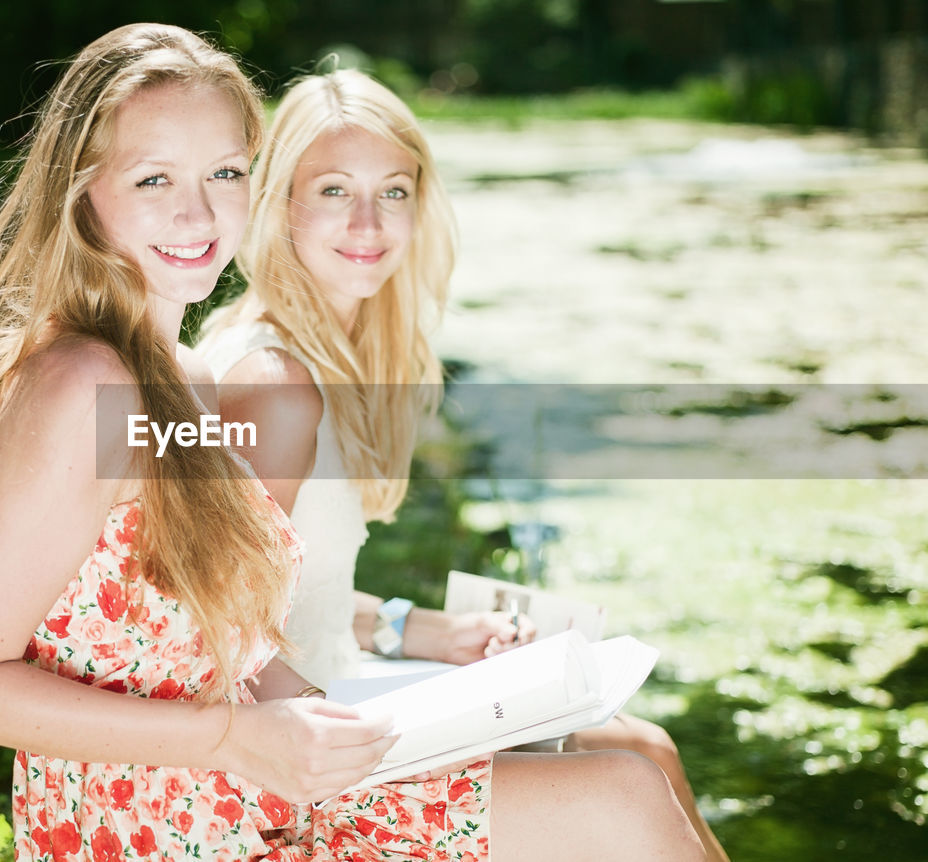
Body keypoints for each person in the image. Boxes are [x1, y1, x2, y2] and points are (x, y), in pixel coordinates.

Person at [0, 25, 703, 861]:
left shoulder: (181, 378)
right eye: (154, 179)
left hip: (252, 794)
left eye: (224, 173)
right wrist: (234, 738)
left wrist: (372, 728)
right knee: (623, 801)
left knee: (628, 787)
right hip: (150, 829)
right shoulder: (79, 385)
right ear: (82, 193)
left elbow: (239, 647)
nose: (198, 211)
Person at [200, 68, 727, 860]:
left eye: (395, 191)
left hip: (331, 695)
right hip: (285, 759)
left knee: (643, 744)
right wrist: (375, 729)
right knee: (629, 788)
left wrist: (423, 630)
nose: (369, 222)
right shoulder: (269, 383)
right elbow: (208, 622)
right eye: (336, 190)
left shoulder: (330, 359)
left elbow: (284, 592)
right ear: (281, 206)